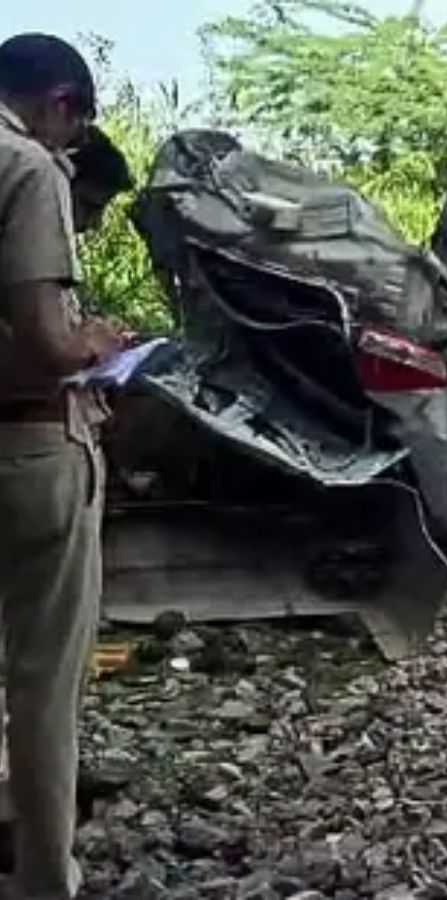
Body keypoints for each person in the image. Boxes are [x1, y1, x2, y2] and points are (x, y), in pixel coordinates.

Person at [0, 33, 124, 899]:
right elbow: (48, 343)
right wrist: (101, 344)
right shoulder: (29, 167)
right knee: (43, 686)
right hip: (28, 451)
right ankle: (44, 881)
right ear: (62, 105)